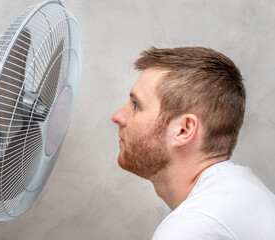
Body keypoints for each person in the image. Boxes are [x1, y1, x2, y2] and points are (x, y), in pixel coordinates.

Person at [111, 46, 275, 240]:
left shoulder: (194, 226)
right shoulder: (242, 191)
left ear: (184, 130)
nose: (117, 116)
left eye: (136, 105)